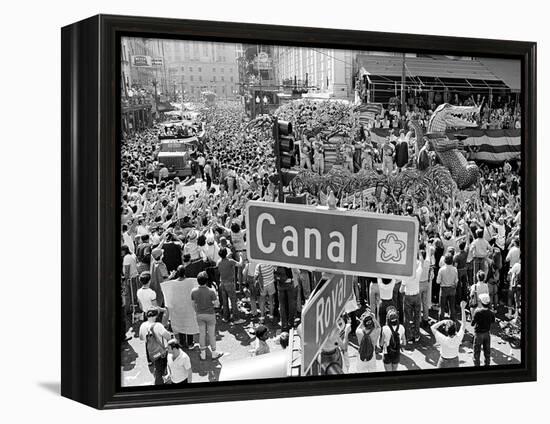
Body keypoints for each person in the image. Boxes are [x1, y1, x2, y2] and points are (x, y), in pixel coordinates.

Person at [161, 265, 199, 349]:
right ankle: (190, 343)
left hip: (177, 307)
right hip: (188, 307)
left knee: (180, 324)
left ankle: (182, 342)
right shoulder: (190, 282)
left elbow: (168, 293)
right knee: (189, 323)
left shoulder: (172, 284)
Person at [191, 271, 224, 360]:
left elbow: (193, 304)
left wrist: (197, 311)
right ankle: (214, 353)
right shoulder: (211, 291)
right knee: (211, 334)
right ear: (206, 281)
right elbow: (217, 304)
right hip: (210, 314)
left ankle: (203, 354)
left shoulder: (193, 291)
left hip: (199, 315)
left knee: (202, 334)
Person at [139, 308, 172, 385]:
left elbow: (141, 338)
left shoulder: (143, 325)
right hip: (161, 352)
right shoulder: (158, 326)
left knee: (157, 366)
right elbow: (168, 337)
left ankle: (160, 377)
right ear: (156, 316)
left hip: (152, 352)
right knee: (161, 369)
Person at [431, 301, 467, 368]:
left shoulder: (443, 338)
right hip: (455, 361)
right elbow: (464, 323)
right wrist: (462, 308)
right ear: (455, 329)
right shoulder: (459, 337)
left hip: (443, 361)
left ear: (446, 330)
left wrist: (442, 321)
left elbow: (432, 327)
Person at [216, 247, 245, 324]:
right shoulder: (230, 261)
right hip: (230, 284)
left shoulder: (218, 262)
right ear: (226, 254)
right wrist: (241, 257)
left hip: (222, 283)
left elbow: (224, 260)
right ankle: (236, 319)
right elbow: (240, 264)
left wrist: (227, 256)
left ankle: (226, 318)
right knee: (233, 301)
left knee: (225, 302)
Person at [471, 293, 495, 367]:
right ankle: (487, 364)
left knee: (476, 352)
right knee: (487, 352)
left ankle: (477, 365)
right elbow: (493, 322)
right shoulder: (491, 312)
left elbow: (472, 323)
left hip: (478, 334)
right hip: (487, 333)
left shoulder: (477, 312)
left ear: (481, 302)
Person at [436, 254, 458, 321]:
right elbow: (456, 280)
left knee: (442, 307)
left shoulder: (441, 269)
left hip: (443, 289)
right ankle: (453, 321)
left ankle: (441, 322)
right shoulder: (455, 269)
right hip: (452, 289)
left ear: (444, 260)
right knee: (452, 307)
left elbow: (438, 281)